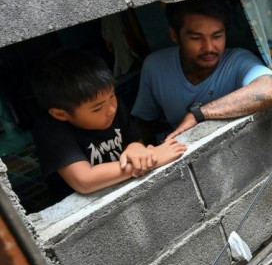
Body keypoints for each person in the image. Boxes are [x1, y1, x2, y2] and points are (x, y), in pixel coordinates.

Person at [31, 50, 187, 201]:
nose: (111, 109)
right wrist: (152, 160)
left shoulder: (110, 105)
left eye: (112, 95)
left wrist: (135, 148)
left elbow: (134, 140)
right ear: (61, 114)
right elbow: (84, 180)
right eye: (97, 108)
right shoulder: (50, 130)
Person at [131, 0, 272, 140]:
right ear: (174, 35)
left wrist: (198, 114)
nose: (208, 47)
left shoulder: (237, 61)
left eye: (217, 36)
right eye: (196, 38)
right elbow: (143, 123)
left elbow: (268, 91)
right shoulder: (155, 67)